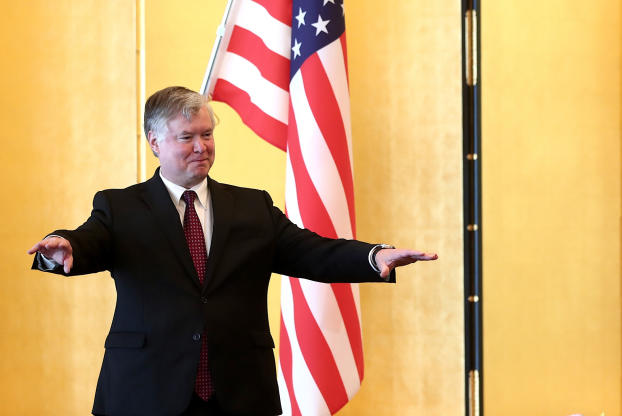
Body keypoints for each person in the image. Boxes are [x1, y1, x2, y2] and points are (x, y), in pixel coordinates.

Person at [28, 86, 437, 416]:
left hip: (239, 393)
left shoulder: (251, 206)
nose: (201, 146)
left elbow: (311, 251)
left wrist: (374, 256)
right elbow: (87, 241)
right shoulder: (120, 207)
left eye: (206, 134)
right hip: (146, 390)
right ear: (154, 142)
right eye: (186, 137)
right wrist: (61, 248)